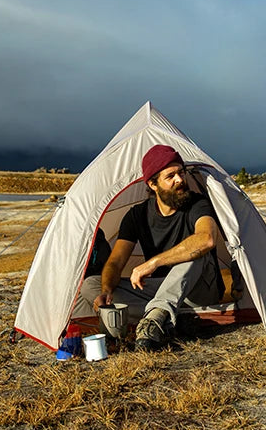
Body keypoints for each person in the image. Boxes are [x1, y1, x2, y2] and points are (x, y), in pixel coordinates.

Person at [75, 144, 223, 351]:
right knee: (91, 284)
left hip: (198, 289)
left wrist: (153, 263)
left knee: (195, 254)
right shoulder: (137, 215)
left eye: (181, 172)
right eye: (170, 176)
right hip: (160, 289)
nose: (180, 179)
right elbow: (116, 262)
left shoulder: (197, 204)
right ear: (153, 184)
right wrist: (106, 291)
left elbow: (206, 239)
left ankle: (154, 319)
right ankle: (168, 318)